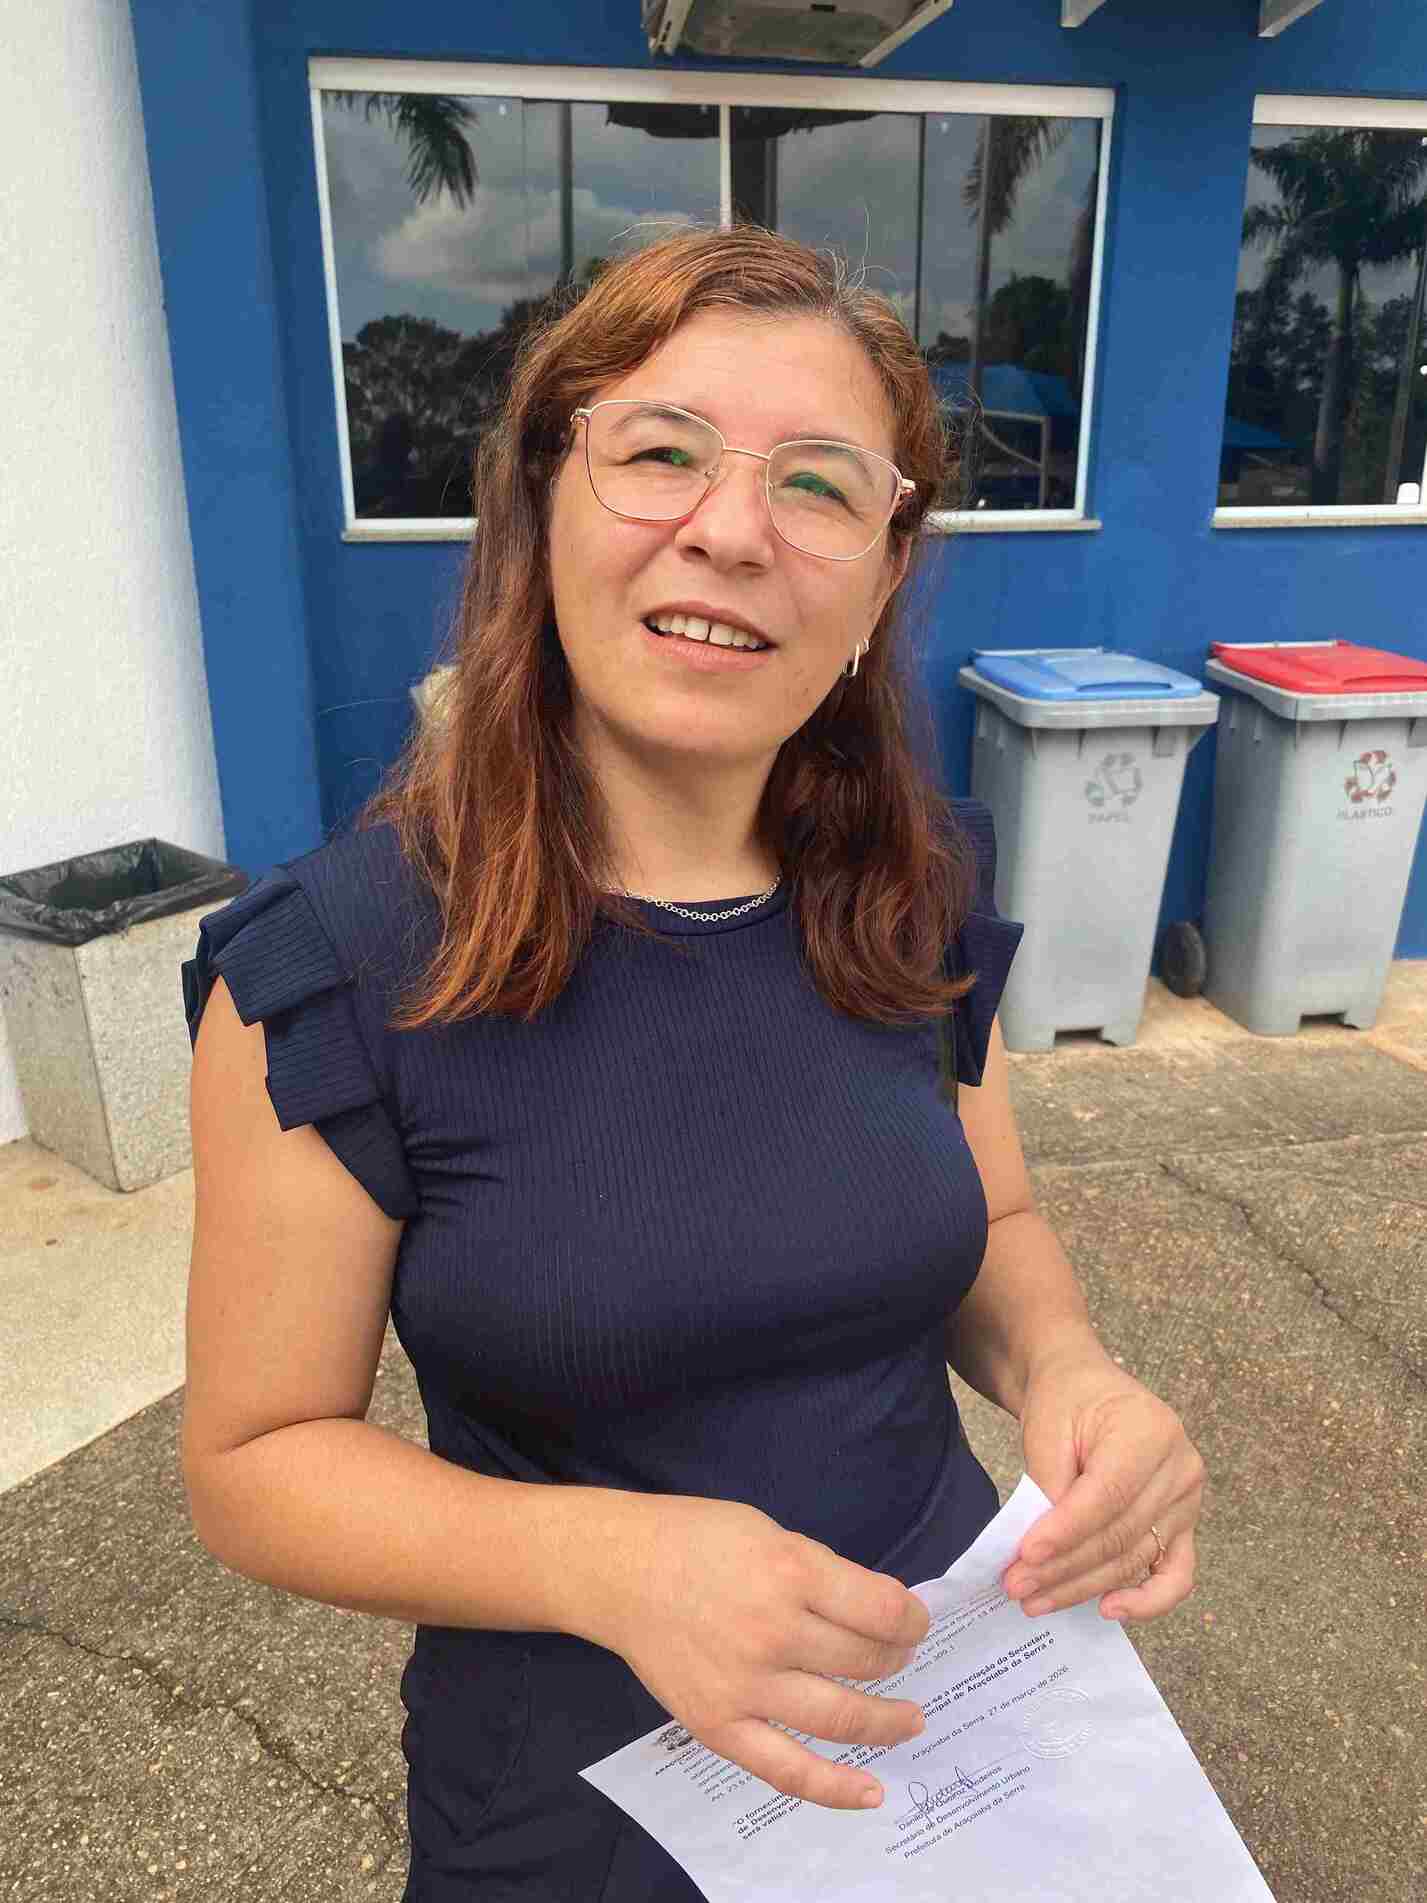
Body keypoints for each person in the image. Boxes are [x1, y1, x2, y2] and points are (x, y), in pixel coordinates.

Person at [180, 222, 1204, 1902]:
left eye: (817, 485)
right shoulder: (338, 966)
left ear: (880, 579)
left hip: (955, 1725)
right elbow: (255, 1461)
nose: (731, 531)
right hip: (594, 1813)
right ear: (542, 511)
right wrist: (609, 1562)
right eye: (661, 454)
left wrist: (1067, 1370)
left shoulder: (917, 888)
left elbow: (996, 1223)